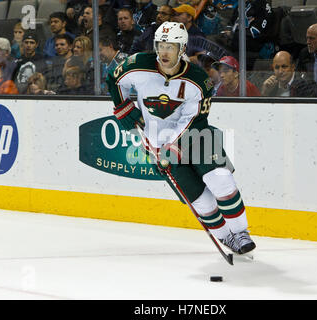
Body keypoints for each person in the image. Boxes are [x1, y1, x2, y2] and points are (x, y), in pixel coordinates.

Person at [106, 21, 256, 255]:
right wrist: (124, 109)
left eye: (171, 46)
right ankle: (227, 237)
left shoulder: (199, 80)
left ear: (182, 49)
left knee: (220, 180)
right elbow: (113, 81)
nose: (164, 52)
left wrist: (173, 144)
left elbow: (193, 118)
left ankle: (241, 232)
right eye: (161, 45)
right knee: (202, 202)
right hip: (157, 145)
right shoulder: (137, 65)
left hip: (197, 135)